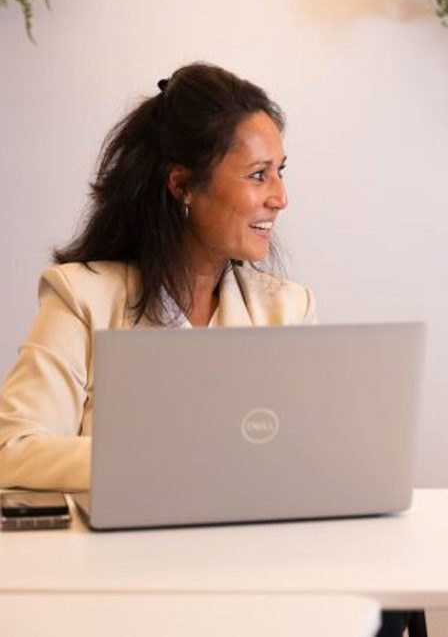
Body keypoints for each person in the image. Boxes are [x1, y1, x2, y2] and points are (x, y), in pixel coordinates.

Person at [0, 62, 314, 491]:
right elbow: (12, 452)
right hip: (116, 555)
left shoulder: (289, 309)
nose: (280, 198)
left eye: (280, 171)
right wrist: (166, 454)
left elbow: (304, 459)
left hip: (247, 550)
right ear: (183, 184)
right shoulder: (80, 298)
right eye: (259, 175)